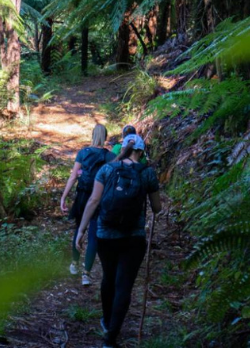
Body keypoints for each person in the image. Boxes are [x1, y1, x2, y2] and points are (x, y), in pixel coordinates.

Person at [75, 134, 162, 348]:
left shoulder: (106, 169)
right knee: (124, 285)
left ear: (122, 148)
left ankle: (106, 320)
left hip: (106, 234)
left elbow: (94, 200)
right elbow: (157, 207)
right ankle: (111, 338)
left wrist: (81, 230)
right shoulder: (147, 173)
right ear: (141, 152)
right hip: (134, 238)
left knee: (108, 278)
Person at [60, 124, 115, 286]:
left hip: (82, 196)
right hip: (99, 198)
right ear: (105, 137)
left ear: (92, 135)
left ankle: (74, 264)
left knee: (79, 229)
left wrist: (64, 197)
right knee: (93, 234)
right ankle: (87, 273)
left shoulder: (83, 153)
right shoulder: (109, 156)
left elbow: (72, 177)